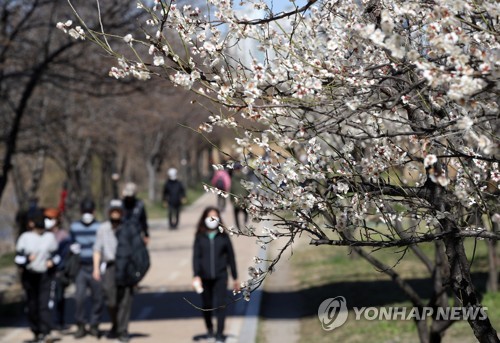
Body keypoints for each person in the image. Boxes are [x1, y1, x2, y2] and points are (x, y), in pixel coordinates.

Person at [192, 207, 239, 343]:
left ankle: (219, 333)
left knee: (221, 304)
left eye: (215, 216)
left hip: (221, 276)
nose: (212, 219)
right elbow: (196, 257)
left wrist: (235, 277)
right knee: (206, 305)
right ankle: (210, 329)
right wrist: (196, 275)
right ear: (204, 218)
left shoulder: (223, 236)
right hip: (204, 277)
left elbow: (231, 257)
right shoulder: (200, 237)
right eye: (209, 216)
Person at [15, 208, 58, 343]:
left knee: (44, 305)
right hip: (30, 275)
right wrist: (27, 259)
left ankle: (46, 332)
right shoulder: (25, 238)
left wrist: (52, 261)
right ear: (31, 223)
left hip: (45, 275)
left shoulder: (50, 237)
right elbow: (18, 259)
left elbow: (57, 255)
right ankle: (36, 331)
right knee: (32, 305)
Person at [93, 199, 133, 342]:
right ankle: (116, 324)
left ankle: (123, 330)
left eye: (118, 211)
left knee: (125, 300)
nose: (115, 214)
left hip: (125, 267)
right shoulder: (103, 228)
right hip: (110, 267)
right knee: (111, 300)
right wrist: (96, 269)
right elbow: (97, 249)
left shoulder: (128, 227)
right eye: (113, 211)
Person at [69, 198, 102, 339]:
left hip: (96, 267)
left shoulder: (100, 227)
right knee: (79, 297)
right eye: (85, 211)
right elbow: (70, 243)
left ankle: (94, 324)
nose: (87, 214)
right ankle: (81, 325)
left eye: (89, 211)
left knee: (98, 298)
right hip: (80, 267)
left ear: (94, 212)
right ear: (81, 212)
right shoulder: (74, 227)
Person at [44, 208, 71, 331]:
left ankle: (60, 322)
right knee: (46, 299)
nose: (48, 221)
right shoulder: (43, 235)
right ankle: (47, 323)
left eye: (50, 218)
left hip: (58, 272)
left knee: (59, 298)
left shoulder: (63, 235)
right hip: (44, 272)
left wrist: (56, 262)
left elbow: (65, 254)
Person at [229, 164, 249, 230]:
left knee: (236, 213)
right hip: (244, 197)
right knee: (245, 211)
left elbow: (231, 189)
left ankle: (238, 226)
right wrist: (248, 196)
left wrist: (231, 199)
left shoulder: (233, 178)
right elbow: (248, 188)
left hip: (236, 198)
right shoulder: (245, 177)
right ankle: (245, 222)